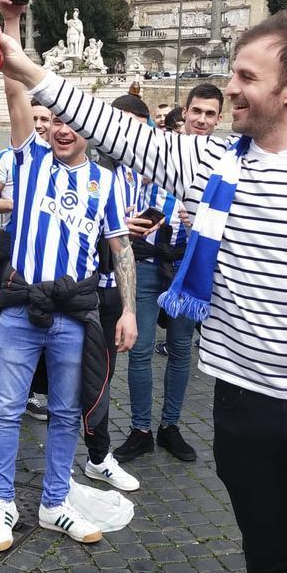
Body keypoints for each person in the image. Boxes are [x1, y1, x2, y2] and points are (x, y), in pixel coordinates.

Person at [0, 10, 287, 573]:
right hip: (242, 408)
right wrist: (26, 67)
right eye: (234, 74)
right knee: (267, 564)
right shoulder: (208, 164)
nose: (230, 89)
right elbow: (114, 127)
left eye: (247, 78)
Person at [0, 0, 137, 552]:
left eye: (72, 121)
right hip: (22, 305)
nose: (62, 128)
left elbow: (120, 248)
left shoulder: (107, 182)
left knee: (68, 412)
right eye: (54, 120)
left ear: (90, 127)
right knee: (9, 409)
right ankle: (0, 503)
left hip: (76, 312)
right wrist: (12, 25)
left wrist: (131, 310)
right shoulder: (30, 159)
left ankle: (54, 503)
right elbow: (17, 89)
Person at [115, 83, 222, 465]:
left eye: (211, 114)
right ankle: (141, 429)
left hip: (188, 263)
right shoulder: (160, 154)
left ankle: (171, 426)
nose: (202, 120)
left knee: (179, 350)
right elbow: (124, 193)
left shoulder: (226, 162)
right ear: (186, 111)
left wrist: (202, 222)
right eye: (197, 112)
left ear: (218, 119)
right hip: (146, 260)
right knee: (140, 349)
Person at [0, 98, 54, 414]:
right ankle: (0, 389)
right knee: (7, 321)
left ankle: (32, 392)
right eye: (34, 117)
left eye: (45, 119)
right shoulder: (8, 159)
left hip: (49, 250)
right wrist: (18, 205)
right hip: (11, 246)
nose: (39, 124)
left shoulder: (63, 159)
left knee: (43, 322)